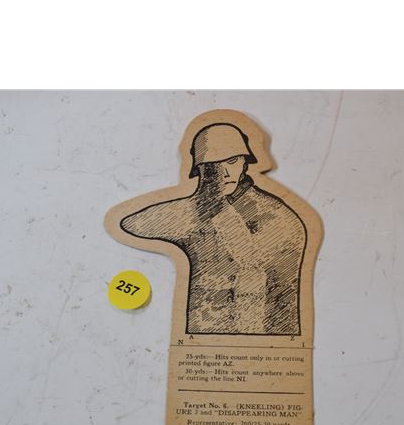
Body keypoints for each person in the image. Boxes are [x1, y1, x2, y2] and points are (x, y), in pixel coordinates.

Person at [120, 123, 306, 335]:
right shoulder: (189, 212)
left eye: (232, 161)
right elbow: (129, 223)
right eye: (211, 166)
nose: (224, 173)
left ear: (245, 162)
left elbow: (268, 278)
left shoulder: (278, 216)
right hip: (201, 333)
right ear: (200, 170)